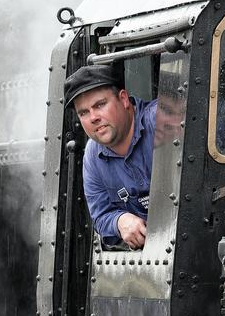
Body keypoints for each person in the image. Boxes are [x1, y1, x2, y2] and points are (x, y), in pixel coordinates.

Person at [64, 65, 157, 250]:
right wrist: (120, 221)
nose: (93, 118)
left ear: (123, 99)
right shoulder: (92, 155)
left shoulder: (159, 119)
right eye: (83, 112)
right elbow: (100, 215)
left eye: (100, 105)